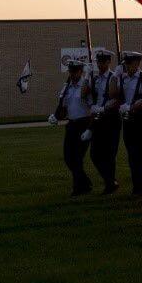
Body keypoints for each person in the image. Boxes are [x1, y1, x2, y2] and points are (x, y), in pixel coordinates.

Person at [48, 59, 94, 196]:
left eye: (76, 71)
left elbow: (93, 108)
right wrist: (56, 116)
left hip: (83, 123)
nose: (73, 74)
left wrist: (90, 128)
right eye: (71, 71)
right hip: (72, 125)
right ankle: (85, 183)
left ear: (81, 72)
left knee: (77, 158)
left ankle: (78, 188)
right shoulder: (67, 87)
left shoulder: (86, 87)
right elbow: (64, 107)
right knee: (68, 158)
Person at [117, 50, 142, 195]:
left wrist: (132, 106)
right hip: (128, 119)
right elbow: (114, 94)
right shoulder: (123, 78)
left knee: (136, 152)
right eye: (125, 63)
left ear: (137, 63)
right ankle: (139, 185)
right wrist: (115, 76)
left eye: (130, 63)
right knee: (131, 153)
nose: (127, 66)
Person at [89, 48, 121, 194]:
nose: (100, 64)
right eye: (98, 61)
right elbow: (87, 95)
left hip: (111, 119)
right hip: (98, 119)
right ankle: (110, 180)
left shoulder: (114, 77)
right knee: (95, 154)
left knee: (109, 153)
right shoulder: (94, 79)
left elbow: (117, 98)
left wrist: (104, 108)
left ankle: (110, 183)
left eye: (102, 61)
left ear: (109, 62)